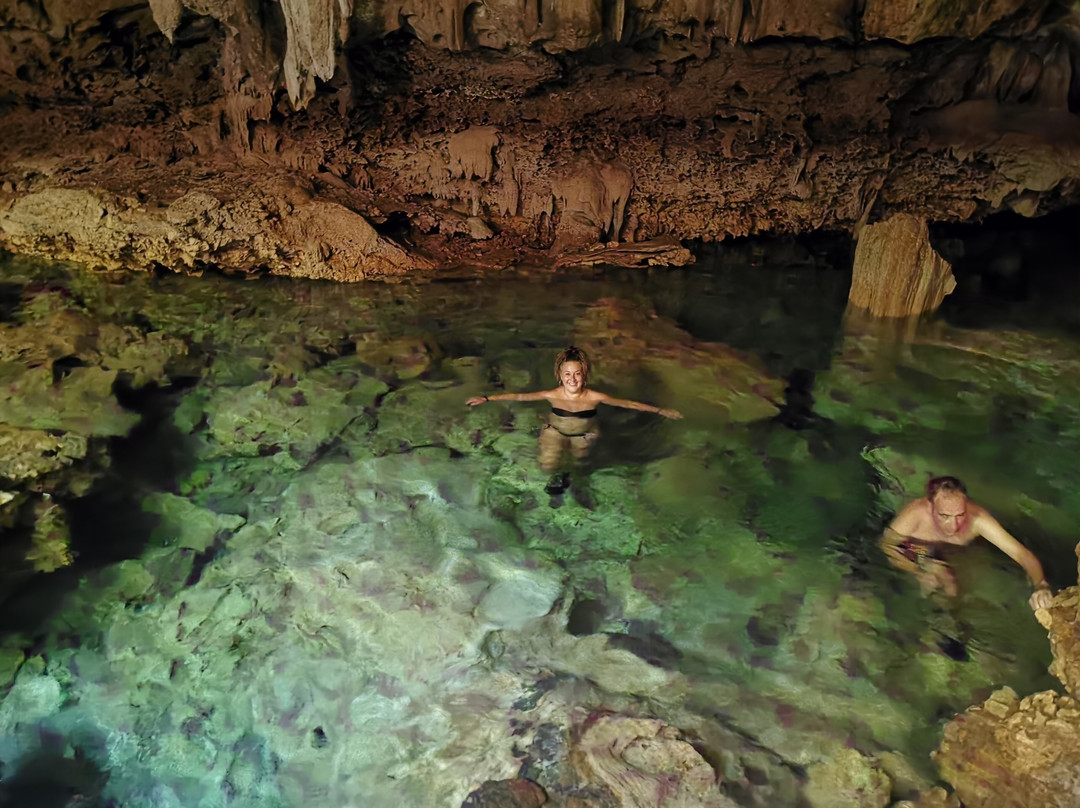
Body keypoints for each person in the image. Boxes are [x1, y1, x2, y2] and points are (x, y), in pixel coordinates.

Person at [466, 346, 682, 472]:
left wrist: (661, 411)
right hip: (554, 431)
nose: (572, 379)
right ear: (560, 376)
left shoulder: (595, 397)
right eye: (567, 374)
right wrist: (487, 398)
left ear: (584, 375)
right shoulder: (553, 394)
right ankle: (555, 481)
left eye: (577, 374)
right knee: (547, 466)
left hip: (584, 433)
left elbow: (628, 404)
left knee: (580, 461)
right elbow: (519, 396)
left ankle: (574, 475)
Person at [880, 475, 1053, 611]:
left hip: (960, 551)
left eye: (960, 515)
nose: (954, 526)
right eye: (944, 516)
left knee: (953, 590)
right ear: (930, 505)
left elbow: (1021, 554)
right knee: (940, 577)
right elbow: (886, 545)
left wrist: (1041, 585)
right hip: (919, 548)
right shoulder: (914, 515)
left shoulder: (978, 518)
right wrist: (919, 569)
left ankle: (947, 611)